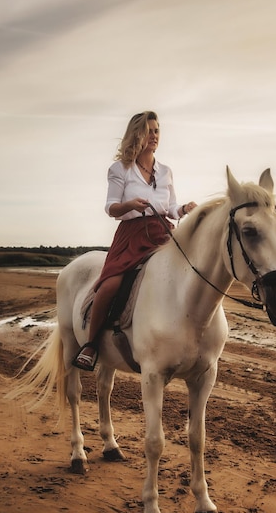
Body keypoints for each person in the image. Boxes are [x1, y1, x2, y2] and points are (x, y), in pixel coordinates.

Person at [72, 110, 197, 371]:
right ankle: (91, 345)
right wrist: (129, 205)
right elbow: (111, 208)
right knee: (109, 286)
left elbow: (170, 207)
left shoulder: (166, 171)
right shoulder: (120, 169)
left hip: (163, 233)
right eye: (149, 130)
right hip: (131, 235)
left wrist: (184, 209)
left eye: (157, 130)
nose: (154, 135)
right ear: (136, 134)